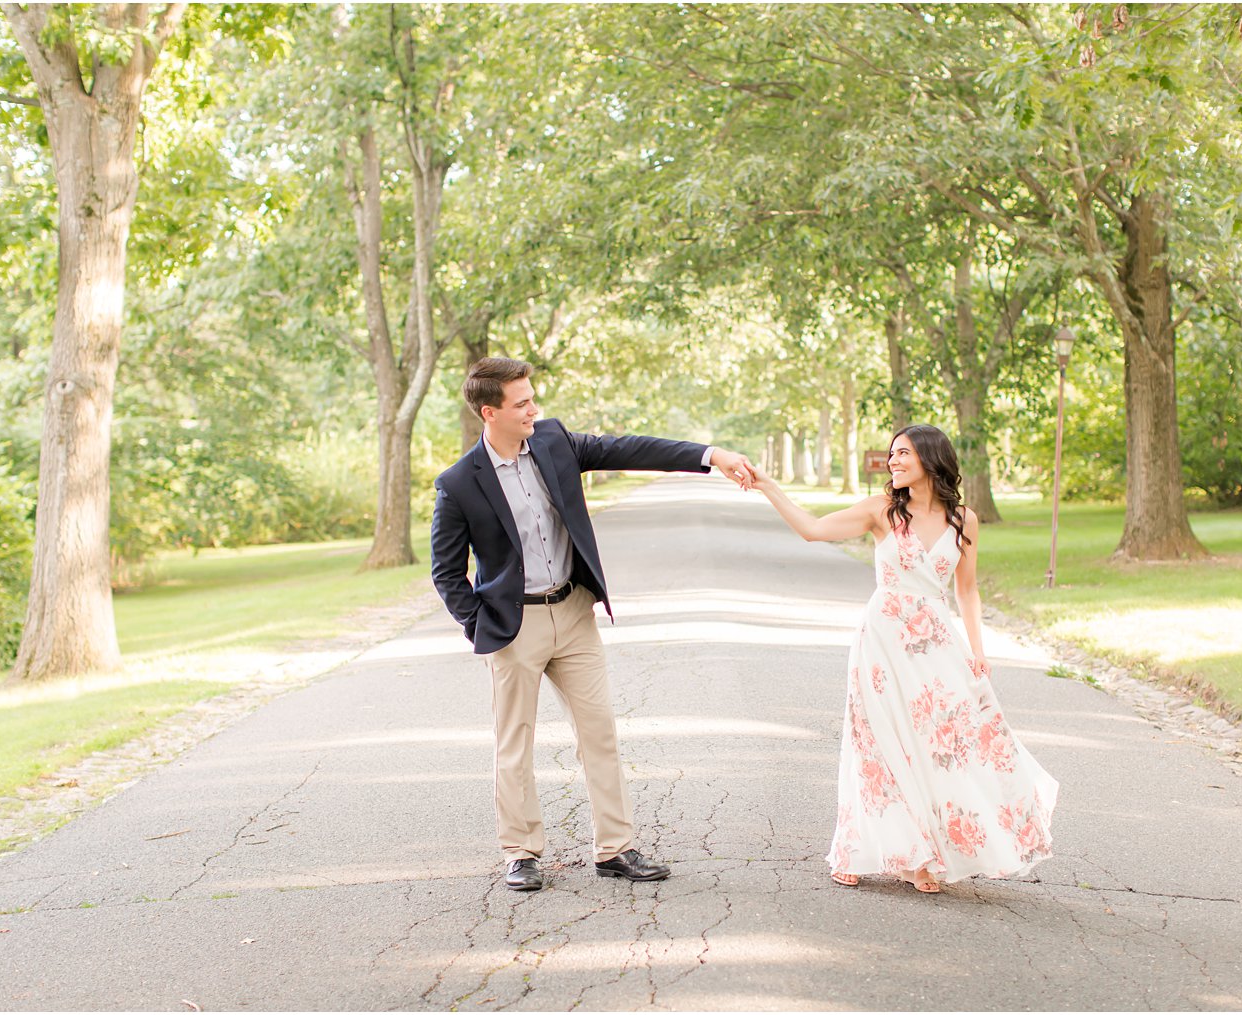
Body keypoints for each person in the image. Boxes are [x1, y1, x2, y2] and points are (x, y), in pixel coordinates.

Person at [431, 357, 754, 892]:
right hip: (516, 628)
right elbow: (447, 573)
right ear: (490, 412)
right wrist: (483, 627)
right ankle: (520, 853)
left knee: (600, 734)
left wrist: (710, 455)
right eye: (521, 403)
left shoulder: (554, 441)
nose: (533, 408)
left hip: (575, 613)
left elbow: (630, 448)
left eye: (532, 397)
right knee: (514, 743)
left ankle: (616, 849)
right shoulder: (460, 483)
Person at [747, 423, 1058, 892]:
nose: (893, 461)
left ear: (930, 458)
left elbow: (967, 590)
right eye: (892, 454)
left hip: (936, 644)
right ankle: (856, 846)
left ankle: (925, 854)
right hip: (882, 642)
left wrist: (979, 651)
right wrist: (769, 485)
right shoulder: (881, 512)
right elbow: (812, 530)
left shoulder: (963, 520)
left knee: (939, 745)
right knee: (878, 745)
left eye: (903, 453)